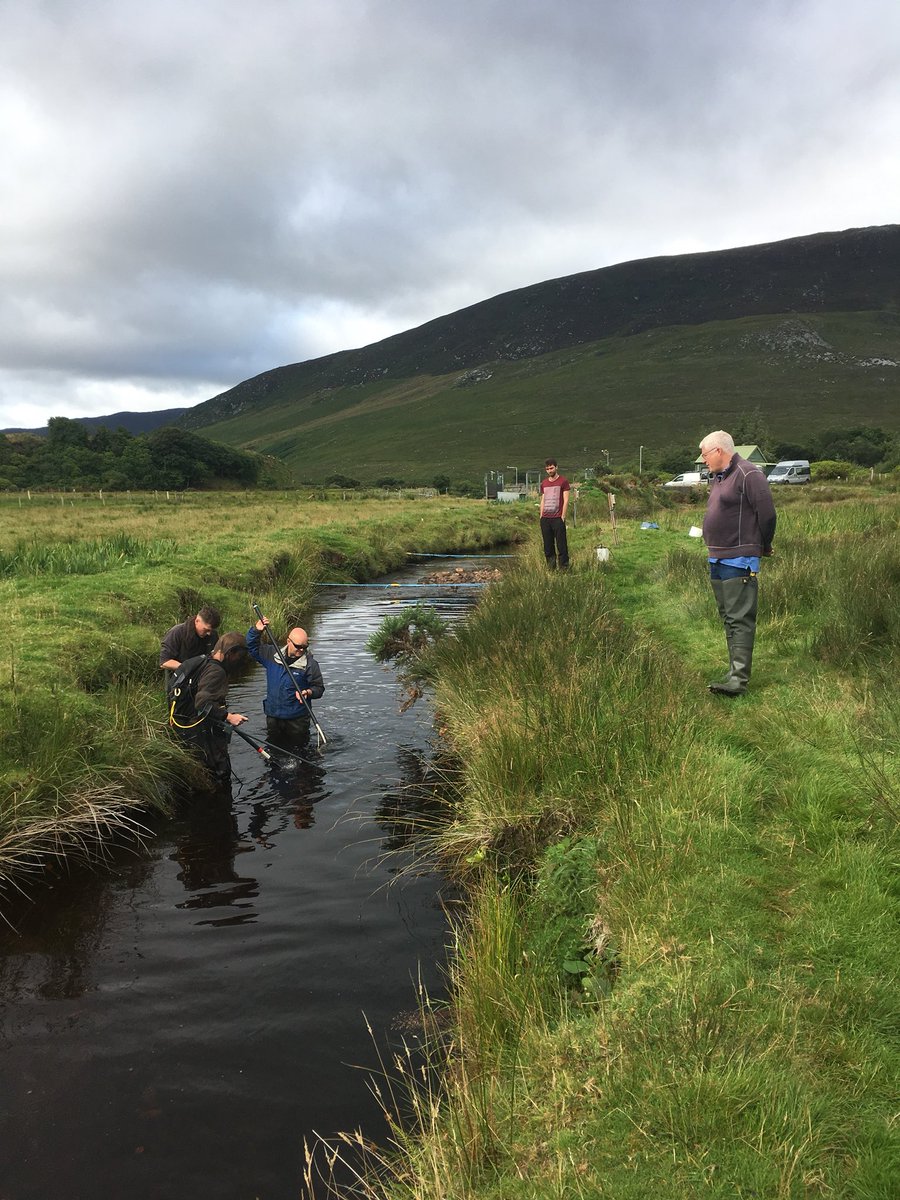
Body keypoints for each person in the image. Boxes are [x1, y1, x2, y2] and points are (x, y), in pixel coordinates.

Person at [699, 430, 777, 696]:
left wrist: (762, 546)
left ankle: (739, 681)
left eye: (705, 453)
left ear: (719, 451)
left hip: (739, 558)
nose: (702, 458)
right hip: (717, 558)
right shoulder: (720, 477)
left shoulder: (749, 473)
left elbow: (767, 514)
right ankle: (734, 673)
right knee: (729, 619)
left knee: (739, 619)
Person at [169, 632, 249, 785]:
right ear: (230, 653)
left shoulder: (200, 661)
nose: (240, 662)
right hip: (199, 731)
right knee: (220, 773)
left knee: (195, 772)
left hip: (181, 725)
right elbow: (202, 702)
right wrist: (228, 717)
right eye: (240, 657)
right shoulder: (216, 672)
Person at [247, 616, 325, 748]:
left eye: (305, 647)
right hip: (273, 717)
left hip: (297, 720)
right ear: (288, 641)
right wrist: (256, 631)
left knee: (299, 752)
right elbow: (252, 648)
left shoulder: (310, 665)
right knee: (273, 750)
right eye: (298, 646)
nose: (301, 650)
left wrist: (309, 692)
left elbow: (319, 688)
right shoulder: (271, 655)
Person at [159, 606, 221, 676]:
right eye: (206, 630)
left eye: (211, 630)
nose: (209, 633)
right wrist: (188, 667)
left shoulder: (213, 635)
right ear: (197, 621)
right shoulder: (177, 632)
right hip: (180, 678)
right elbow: (164, 662)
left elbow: (215, 656)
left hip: (204, 676)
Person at [539, 458, 570, 569]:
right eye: (547, 469)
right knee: (548, 546)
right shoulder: (544, 483)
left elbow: (566, 499)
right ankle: (551, 569)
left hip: (558, 518)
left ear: (556, 467)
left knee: (561, 545)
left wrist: (563, 516)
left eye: (551, 468)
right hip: (545, 518)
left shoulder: (563, 481)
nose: (549, 470)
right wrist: (541, 515)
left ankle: (564, 569)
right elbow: (543, 499)